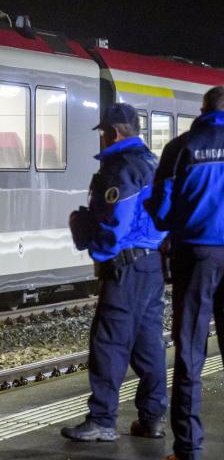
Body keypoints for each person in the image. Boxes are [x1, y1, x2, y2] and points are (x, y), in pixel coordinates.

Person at [62, 102, 168, 442]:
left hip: (125, 267)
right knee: (147, 343)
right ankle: (152, 418)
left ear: (114, 133)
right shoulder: (153, 162)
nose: (102, 140)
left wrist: (97, 248)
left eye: (103, 133)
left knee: (108, 342)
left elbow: (115, 222)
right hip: (151, 265)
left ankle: (103, 420)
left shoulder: (120, 167)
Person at [145, 86, 224, 460]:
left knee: (191, 352)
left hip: (194, 256)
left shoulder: (180, 148)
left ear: (202, 109)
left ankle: (188, 447)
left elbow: (160, 211)